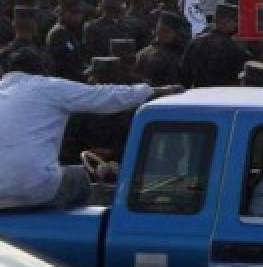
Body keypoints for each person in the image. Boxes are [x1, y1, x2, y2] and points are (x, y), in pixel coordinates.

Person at [0, 48, 179, 210]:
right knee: (80, 177)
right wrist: (156, 91)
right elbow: (105, 96)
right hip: (38, 188)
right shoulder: (49, 87)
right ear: (41, 71)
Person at [179, 3, 249, 87]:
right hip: (223, 95)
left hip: (198, 94)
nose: (237, 25)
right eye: (235, 21)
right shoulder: (235, 49)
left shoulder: (195, 42)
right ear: (226, 21)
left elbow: (184, 74)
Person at [45, 0, 87, 82]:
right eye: (73, 13)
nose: (77, 17)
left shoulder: (70, 31)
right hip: (63, 83)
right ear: (62, 13)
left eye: (80, 13)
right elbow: (66, 65)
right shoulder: (59, 34)